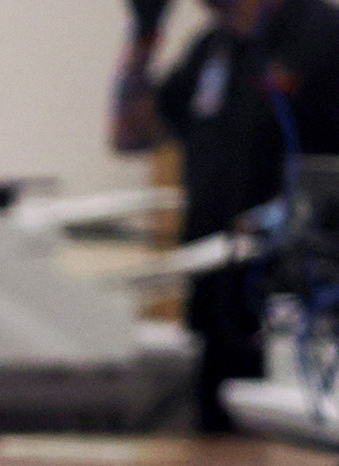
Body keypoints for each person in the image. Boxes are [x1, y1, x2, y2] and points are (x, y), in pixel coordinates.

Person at [112, 0, 339, 430]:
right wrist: (143, 33)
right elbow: (130, 134)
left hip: (296, 313)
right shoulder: (212, 49)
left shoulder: (319, 34)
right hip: (215, 306)